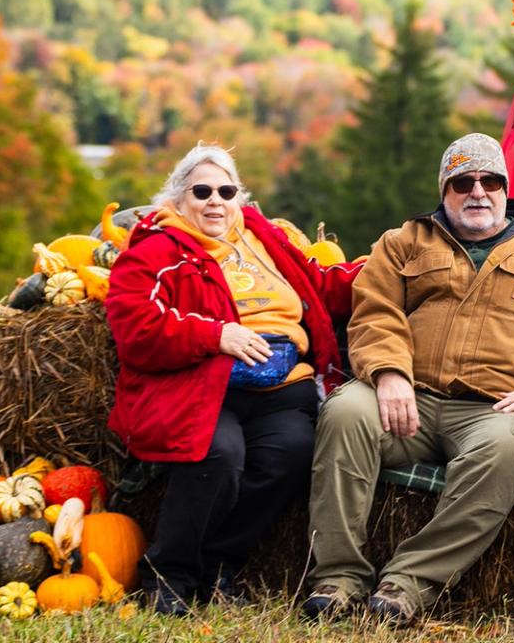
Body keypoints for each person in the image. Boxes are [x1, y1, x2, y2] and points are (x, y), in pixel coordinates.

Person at [303, 133, 514, 625]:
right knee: (345, 410)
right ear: (444, 190)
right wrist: (388, 374)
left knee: (504, 447)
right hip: (409, 399)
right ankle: (338, 579)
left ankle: (406, 585)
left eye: (490, 181)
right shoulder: (403, 243)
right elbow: (373, 314)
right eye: (462, 182)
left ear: (506, 188)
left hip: (498, 409)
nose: (478, 192)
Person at [103, 142, 360, 616]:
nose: (215, 200)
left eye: (226, 190)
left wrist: (381, 272)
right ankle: (170, 573)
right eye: (202, 191)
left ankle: (219, 563)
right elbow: (133, 326)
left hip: (283, 383)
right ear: (178, 198)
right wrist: (215, 334)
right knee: (219, 454)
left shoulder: (264, 237)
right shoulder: (156, 249)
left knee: (293, 451)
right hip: (205, 383)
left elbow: (319, 285)